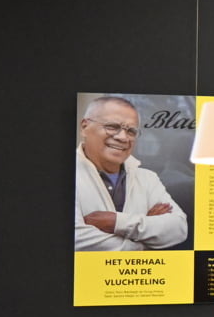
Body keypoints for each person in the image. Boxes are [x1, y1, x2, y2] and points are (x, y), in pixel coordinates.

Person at [74, 95, 189, 251]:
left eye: (131, 131)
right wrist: (145, 237)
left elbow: (178, 229)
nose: (123, 137)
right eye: (112, 126)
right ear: (84, 127)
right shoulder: (68, 174)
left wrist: (117, 222)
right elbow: (76, 238)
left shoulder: (148, 178)